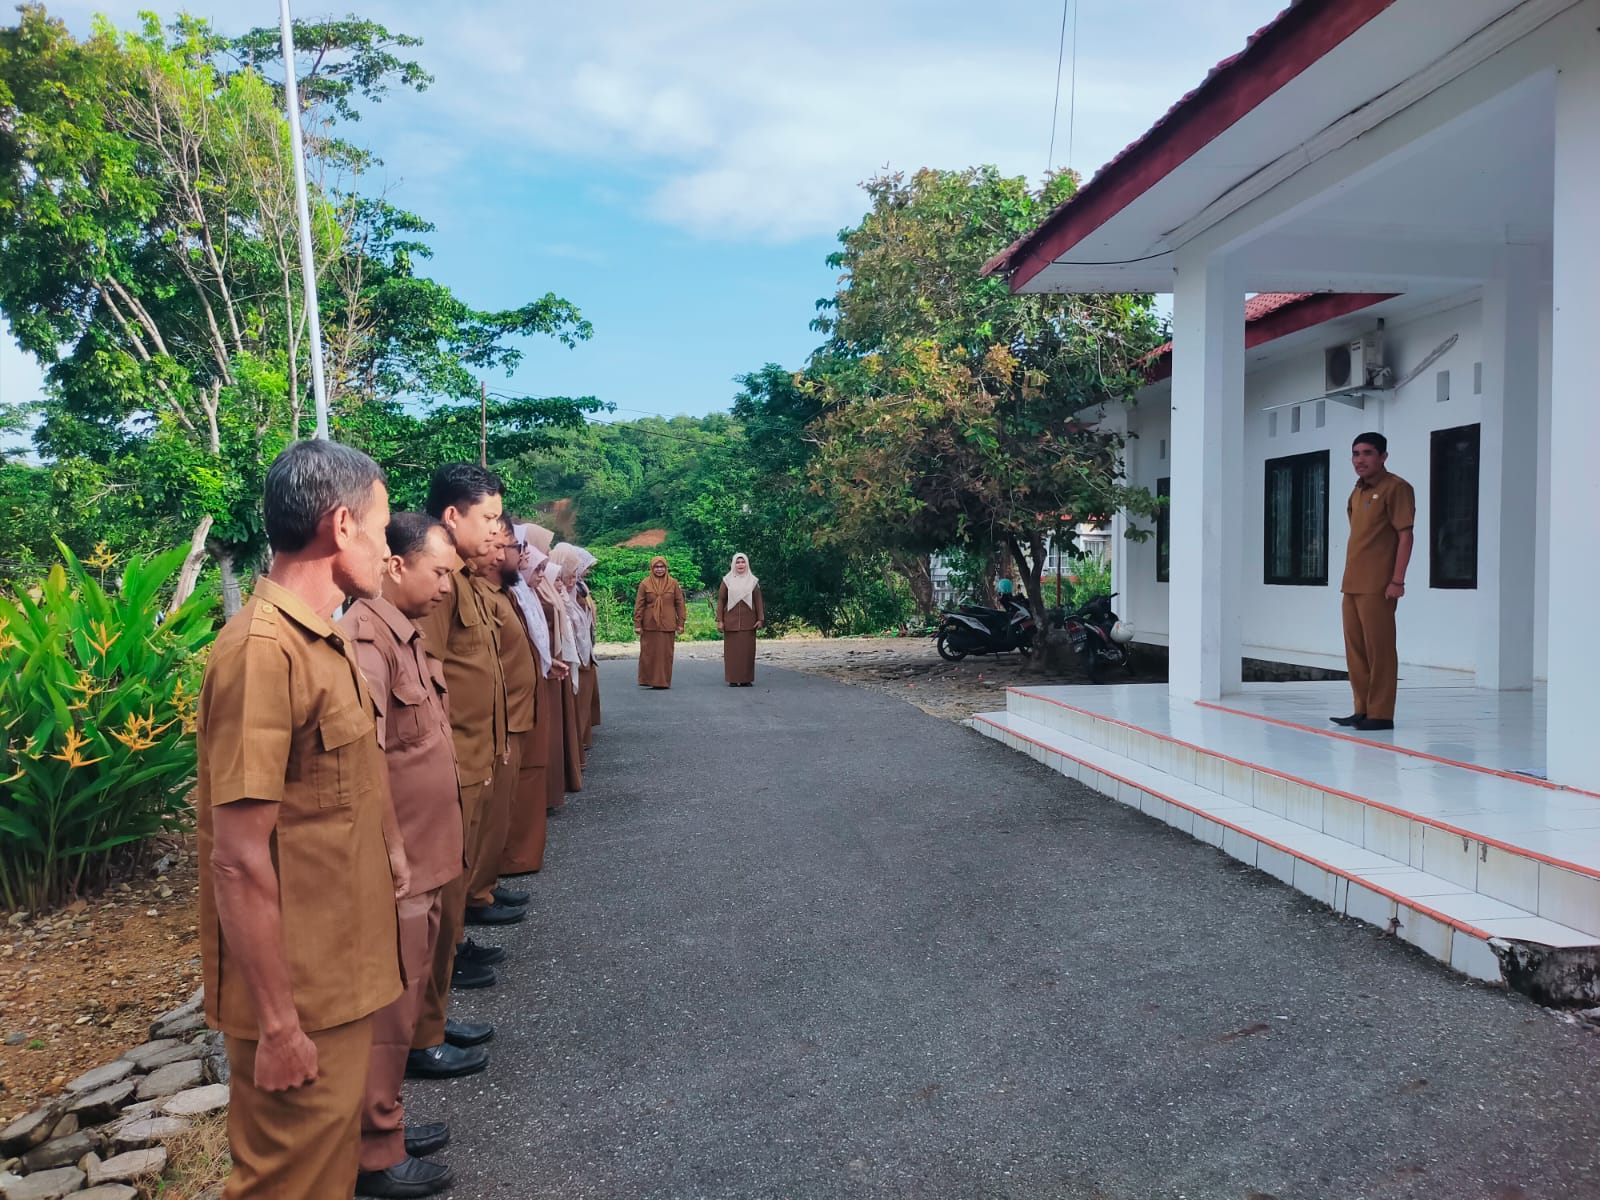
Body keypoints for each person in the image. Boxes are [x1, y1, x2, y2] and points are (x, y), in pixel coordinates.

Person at [196, 439, 401, 1199]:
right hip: (301, 998)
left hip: (337, 978)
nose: (388, 545)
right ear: (341, 526)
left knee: (323, 1177)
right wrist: (278, 1026)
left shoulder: (323, 637)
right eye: (381, 527)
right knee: (288, 1185)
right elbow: (236, 857)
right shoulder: (262, 650)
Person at [341, 513, 480, 1199]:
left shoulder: (404, 632)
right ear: (397, 565)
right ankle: (374, 1150)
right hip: (401, 865)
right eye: (436, 572)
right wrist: (391, 852)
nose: (443, 587)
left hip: (426, 856)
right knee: (390, 1013)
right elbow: (364, 755)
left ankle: (387, 1122)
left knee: (407, 1000)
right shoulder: (367, 636)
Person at [410, 463, 511, 1076]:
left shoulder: (465, 581)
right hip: (451, 765)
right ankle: (421, 1033)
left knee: (447, 907)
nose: (498, 528)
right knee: (435, 907)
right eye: (490, 518)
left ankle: (433, 1017)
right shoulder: (437, 584)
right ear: (453, 516)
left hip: (473, 758)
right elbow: (426, 683)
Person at [1332, 432, 1415, 733]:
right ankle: (1362, 709)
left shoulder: (1397, 488)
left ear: (1383, 457)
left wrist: (1397, 580)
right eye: (1355, 454)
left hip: (1379, 585)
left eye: (1367, 453)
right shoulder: (1357, 492)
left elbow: (1405, 535)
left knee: (1379, 649)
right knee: (1355, 650)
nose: (1360, 459)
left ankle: (1381, 713)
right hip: (1352, 583)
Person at [500, 524, 567, 871]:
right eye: (518, 547)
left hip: (531, 685)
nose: (526, 556)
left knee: (530, 771)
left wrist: (545, 660)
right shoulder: (507, 592)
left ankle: (510, 865)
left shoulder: (518, 591)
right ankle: (501, 869)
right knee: (519, 776)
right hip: (508, 700)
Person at [550, 544, 599, 753]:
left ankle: (579, 743)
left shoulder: (578, 588)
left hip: (583, 651)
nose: (569, 582)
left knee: (582, 701)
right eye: (565, 577)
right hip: (567, 658)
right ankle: (574, 747)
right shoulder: (554, 594)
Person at [634, 556, 686, 689]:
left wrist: (681, 623)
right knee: (648, 653)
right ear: (652, 568)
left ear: (666, 568)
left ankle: (662, 682)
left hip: (667, 624)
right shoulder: (645, 583)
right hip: (649, 625)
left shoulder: (673, 583)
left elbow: (680, 604)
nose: (659, 569)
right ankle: (648, 680)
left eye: (662, 567)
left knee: (665, 654)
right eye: (656, 567)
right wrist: (637, 624)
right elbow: (639, 605)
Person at [715, 552, 764, 687]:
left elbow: (758, 601)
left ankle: (746, 679)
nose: (740, 565)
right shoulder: (727, 580)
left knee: (747, 653)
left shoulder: (753, 581)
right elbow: (721, 600)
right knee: (732, 654)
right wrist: (720, 620)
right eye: (738, 562)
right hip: (731, 622)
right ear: (733, 564)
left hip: (749, 623)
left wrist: (760, 619)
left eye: (743, 562)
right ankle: (732, 678)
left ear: (747, 564)